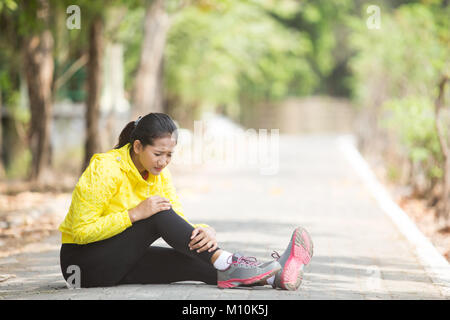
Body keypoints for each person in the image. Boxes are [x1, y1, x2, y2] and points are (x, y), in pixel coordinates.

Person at [58, 112, 313, 290]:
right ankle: (226, 260)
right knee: (155, 212)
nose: (164, 161)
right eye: (158, 153)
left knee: (193, 262)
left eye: (170, 154)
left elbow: (176, 222)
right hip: (83, 266)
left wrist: (203, 231)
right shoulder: (105, 168)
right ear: (137, 147)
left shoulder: (159, 174)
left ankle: (273, 276)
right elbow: (80, 231)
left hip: (120, 261)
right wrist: (133, 214)